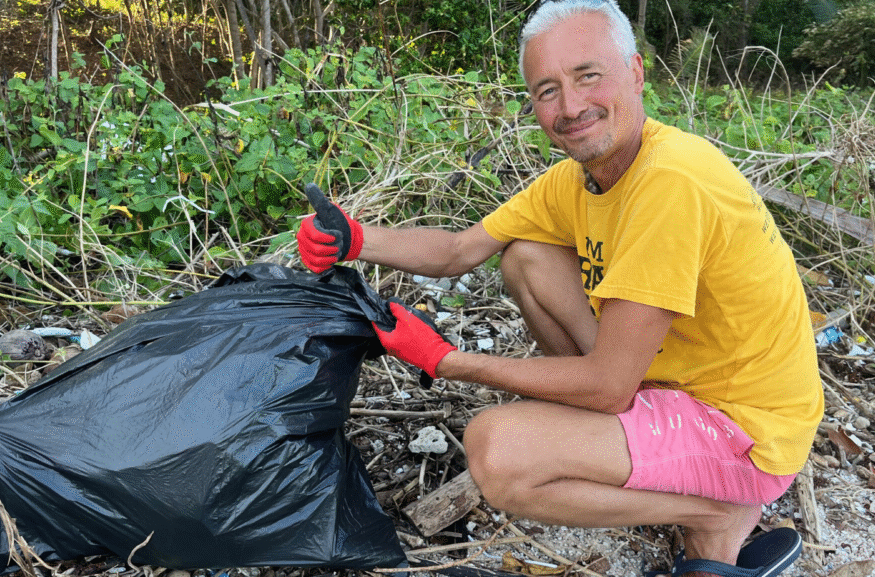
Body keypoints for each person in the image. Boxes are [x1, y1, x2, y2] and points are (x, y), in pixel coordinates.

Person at [298, 1, 823, 575]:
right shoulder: (577, 180)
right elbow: (456, 251)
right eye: (547, 90)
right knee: (526, 257)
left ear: (637, 72)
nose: (571, 107)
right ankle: (632, 457)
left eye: (588, 76)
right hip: (664, 377)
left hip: (743, 427)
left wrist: (446, 360)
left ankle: (716, 517)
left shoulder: (672, 182)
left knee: (498, 454)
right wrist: (353, 237)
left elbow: (604, 385)